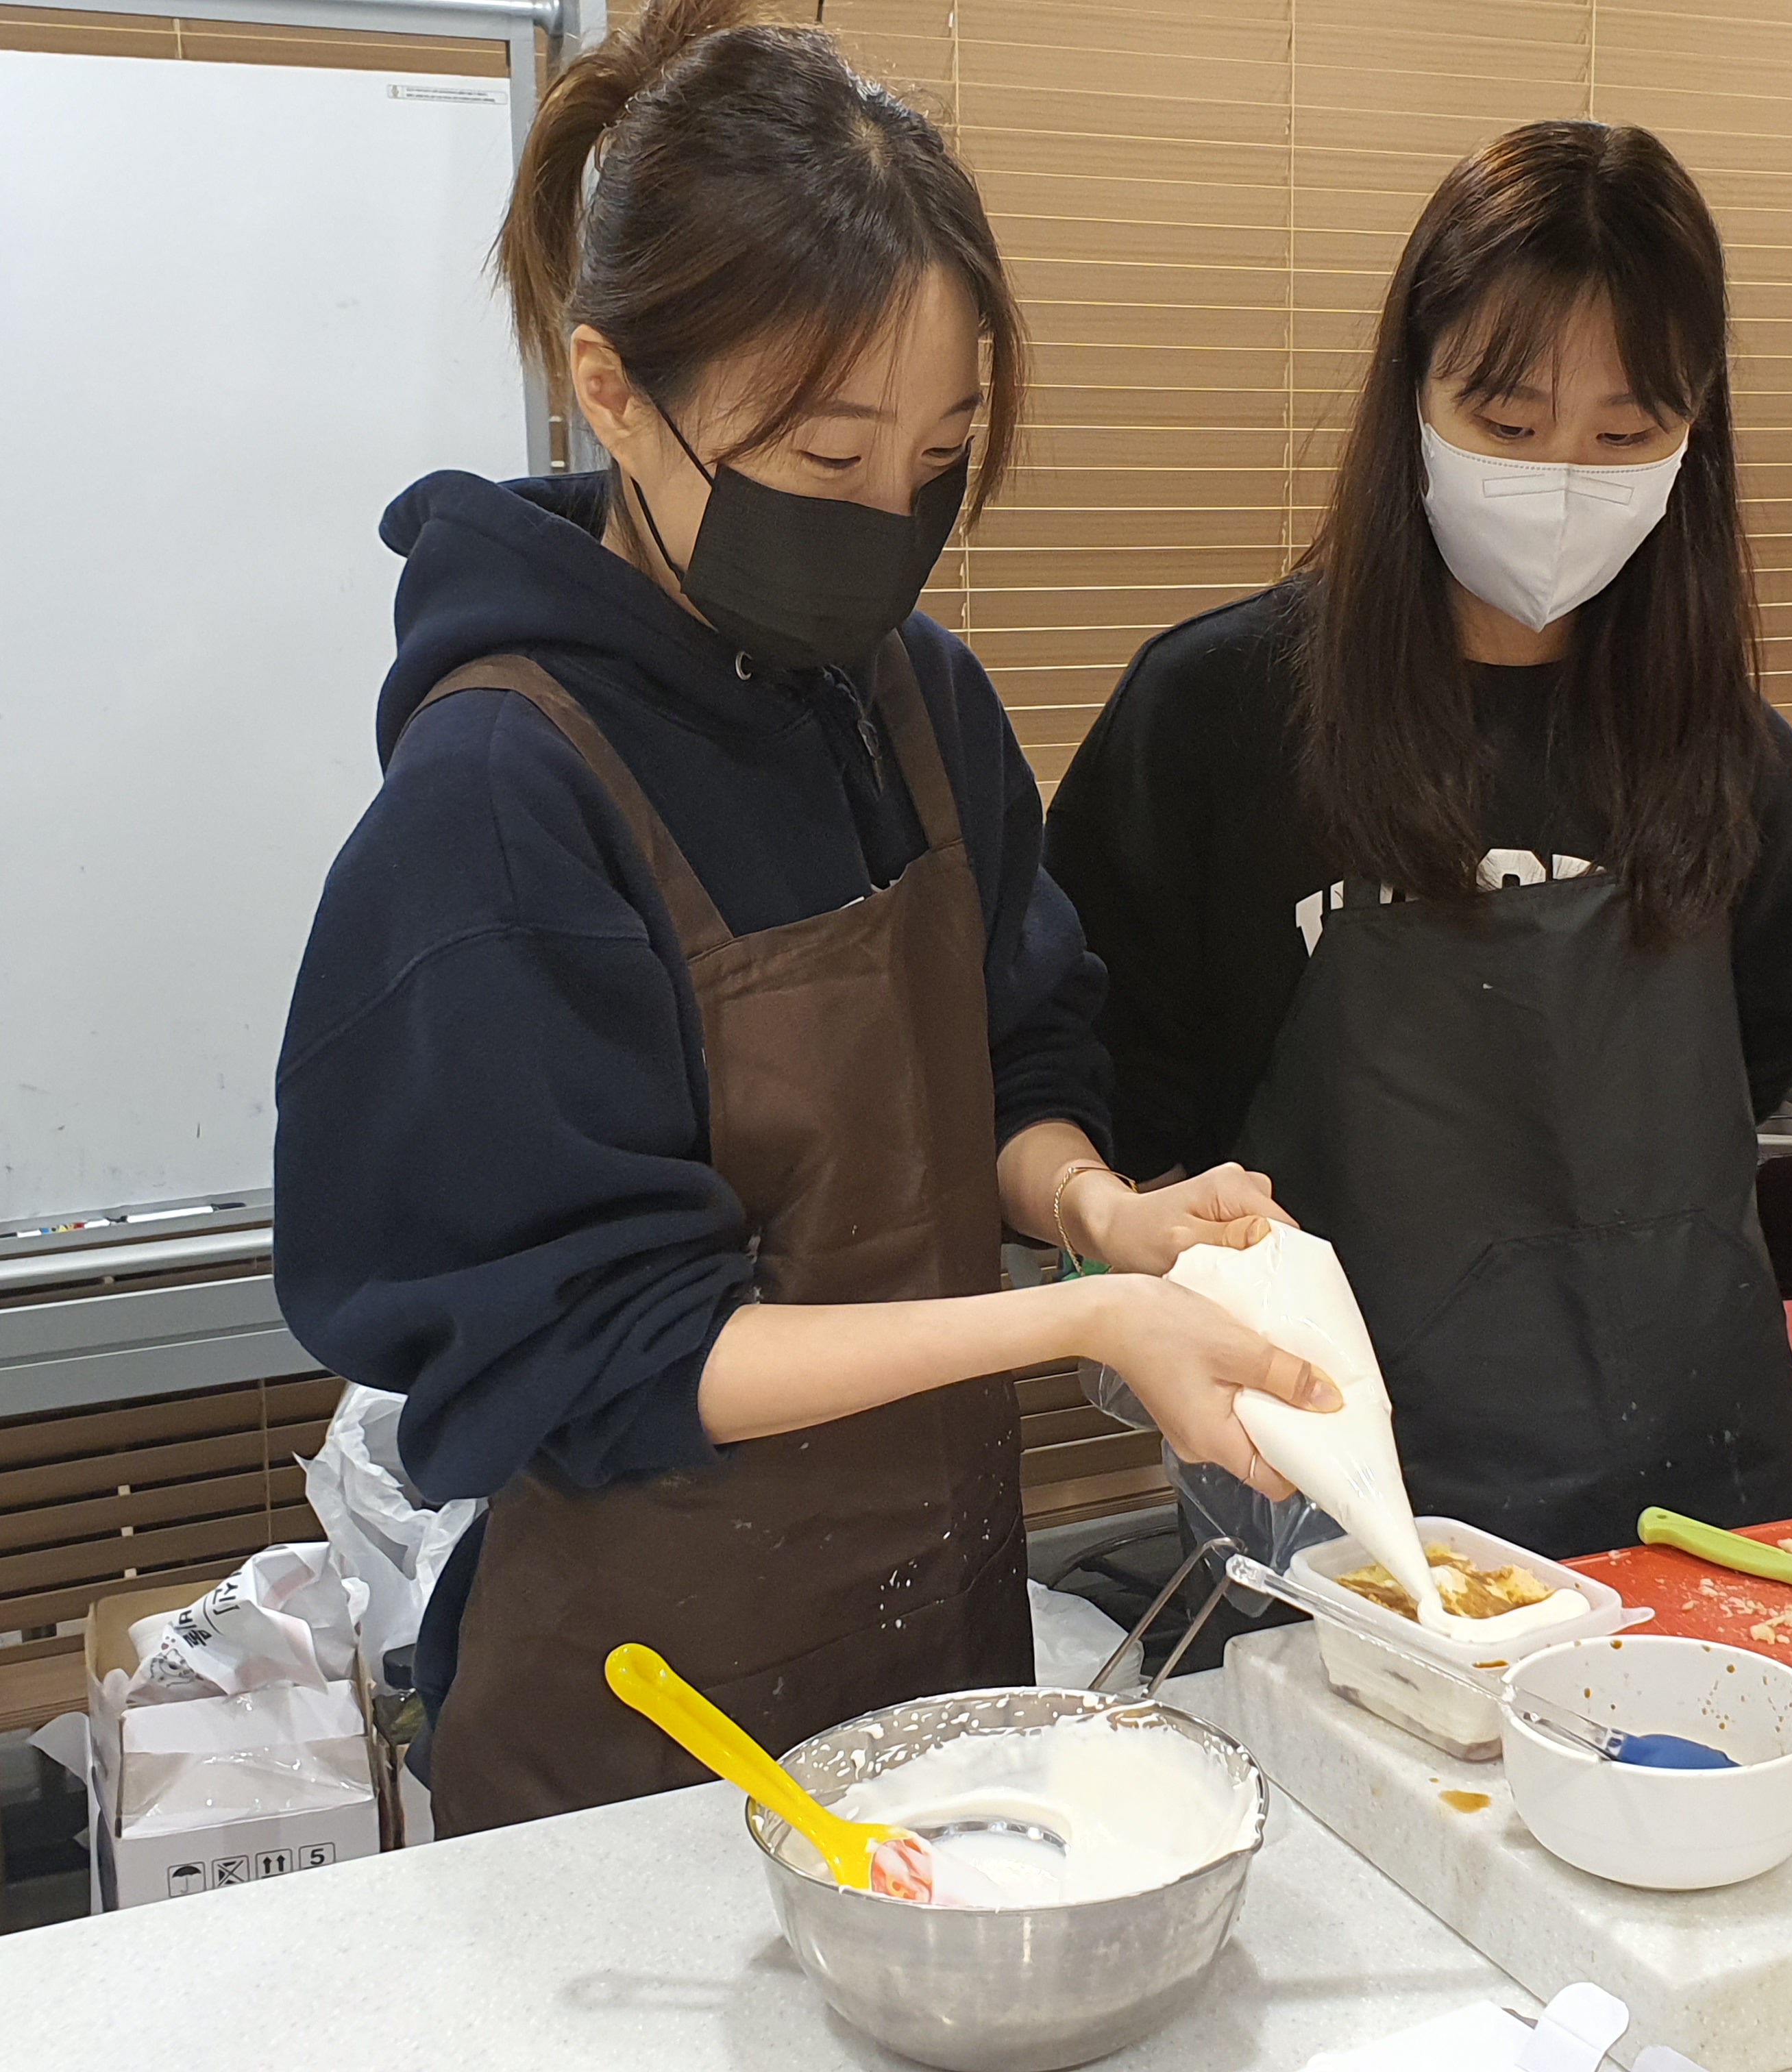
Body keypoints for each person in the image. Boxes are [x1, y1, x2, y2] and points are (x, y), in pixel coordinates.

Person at [271, 0, 1333, 1835]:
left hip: (929, 1674)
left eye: (937, 462)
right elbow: (622, 1344)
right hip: (638, 1744)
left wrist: (1102, 1213)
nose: (887, 523)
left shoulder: (918, 705)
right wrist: (1076, 1325)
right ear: (615, 391)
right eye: (831, 462)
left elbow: (1008, 1061)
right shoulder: (503, 802)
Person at [1045, 121, 1792, 1559]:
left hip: (1696, 1464)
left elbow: (1754, 1057)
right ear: (1413, 391)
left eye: (1627, 436)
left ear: (1695, 434)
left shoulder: (1734, 755)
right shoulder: (1218, 714)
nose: (1565, 478)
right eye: (1510, 426)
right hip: (1336, 1462)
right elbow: (1102, 1088)